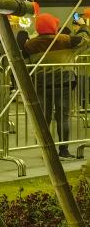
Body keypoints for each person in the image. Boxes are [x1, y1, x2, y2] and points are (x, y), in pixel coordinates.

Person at [25, 12, 86, 159]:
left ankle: (46, 151)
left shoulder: (29, 44)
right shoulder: (66, 40)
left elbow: (26, 63)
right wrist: (83, 26)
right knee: (63, 117)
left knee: (44, 118)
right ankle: (64, 150)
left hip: (41, 84)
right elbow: (85, 40)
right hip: (64, 83)